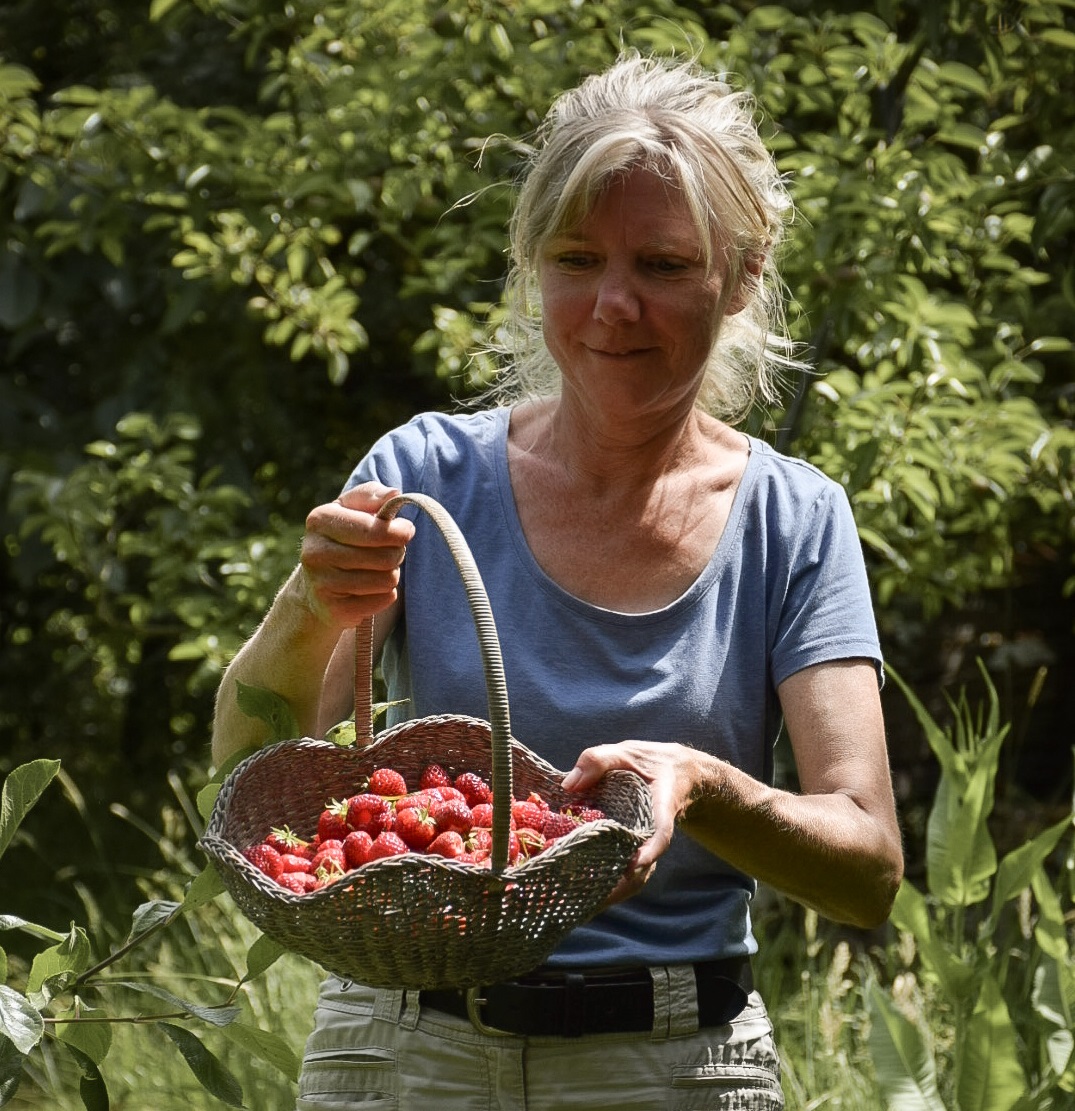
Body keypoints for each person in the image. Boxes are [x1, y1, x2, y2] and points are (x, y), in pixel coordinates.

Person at [211, 51, 904, 1110]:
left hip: (675, 1063)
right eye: (576, 258)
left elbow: (864, 867)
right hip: (404, 1055)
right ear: (532, 264)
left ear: (744, 272)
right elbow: (254, 784)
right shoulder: (422, 478)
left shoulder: (792, 521)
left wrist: (706, 785)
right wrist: (308, 606)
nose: (611, 306)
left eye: (663, 266)